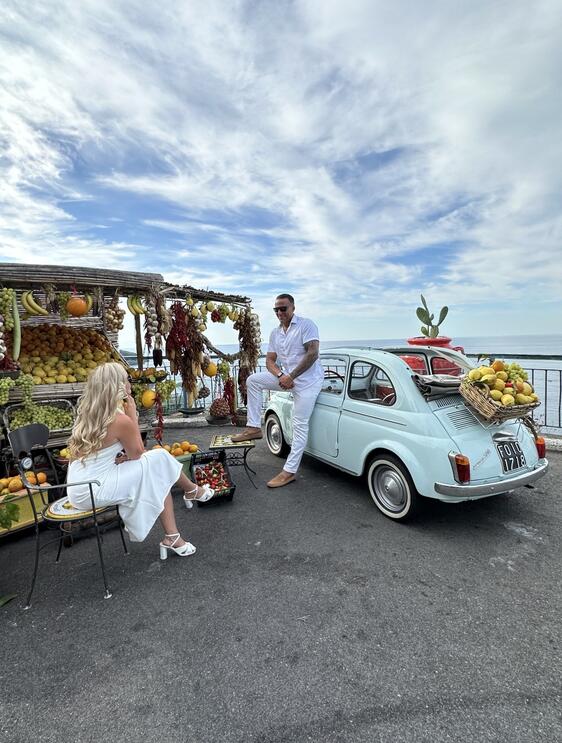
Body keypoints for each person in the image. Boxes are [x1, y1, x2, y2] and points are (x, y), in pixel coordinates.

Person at [66, 362, 213, 560]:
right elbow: (138, 452)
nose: (129, 382)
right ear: (116, 385)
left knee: (157, 469)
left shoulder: (89, 413)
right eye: (126, 379)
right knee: (159, 460)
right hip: (93, 488)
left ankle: (174, 534)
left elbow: (104, 454)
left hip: (78, 486)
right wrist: (133, 416)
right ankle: (192, 491)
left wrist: (122, 455)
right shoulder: (120, 420)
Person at [232, 293, 323, 488]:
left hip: (307, 381)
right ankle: (254, 428)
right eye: (276, 309)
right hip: (287, 378)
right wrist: (282, 376)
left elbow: (313, 353)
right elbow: (269, 361)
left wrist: (292, 376)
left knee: (300, 425)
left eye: (284, 308)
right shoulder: (275, 333)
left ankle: (289, 471)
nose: (280, 312)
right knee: (253, 380)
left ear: (293, 308)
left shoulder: (306, 325)